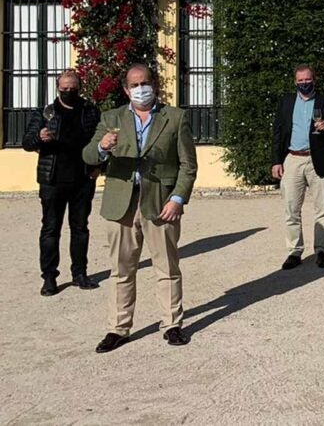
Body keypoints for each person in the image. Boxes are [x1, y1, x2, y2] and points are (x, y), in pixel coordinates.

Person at [84, 63, 198, 353]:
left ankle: (172, 324)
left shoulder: (175, 118)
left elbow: (188, 165)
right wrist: (102, 147)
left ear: (155, 84)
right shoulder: (111, 118)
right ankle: (118, 328)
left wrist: (178, 199)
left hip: (161, 203)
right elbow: (87, 155)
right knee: (122, 269)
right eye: (134, 85)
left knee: (167, 267)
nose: (140, 89)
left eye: (144, 83)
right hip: (120, 203)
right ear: (125, 89)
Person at [23, 69, 102, 296]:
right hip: (52, 180)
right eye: (64, 89)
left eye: (72, 89)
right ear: (57, 88)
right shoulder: (46, 113)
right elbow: (26, 142)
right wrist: (39, 137)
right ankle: (49, 277)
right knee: (50, 230)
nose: (68, 92)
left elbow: (101, 141)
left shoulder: (90, 111)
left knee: (80, 229)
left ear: (80, 88)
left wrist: (99, 167)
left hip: (82, 179)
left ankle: (80, 274)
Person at [271, 63, 324, 270]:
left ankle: (322, 250)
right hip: (292, 159)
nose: (304, 83)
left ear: (314, 79)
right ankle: (294, 251)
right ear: (295, 81)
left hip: (318, 159)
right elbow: (277, 134)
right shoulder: (286, 103)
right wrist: (276, 161)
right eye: (300, 80)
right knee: (291, 208)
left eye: (307, 79)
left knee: (322, 209)